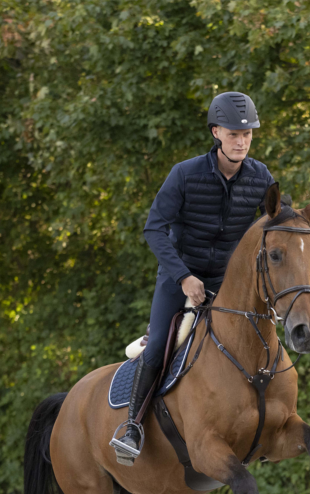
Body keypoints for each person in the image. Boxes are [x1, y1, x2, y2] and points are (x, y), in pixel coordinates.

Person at [111, 91, 276, 465]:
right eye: (234, 134)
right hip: (178, 275)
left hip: (226, 282)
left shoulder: (261, 176)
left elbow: (277, 221)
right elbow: (154, 229)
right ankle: (131, 427)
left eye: (248, 134)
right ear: (216, 132)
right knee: (156, 349)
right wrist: (184, 277)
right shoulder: (184, 174)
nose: (241, 141)